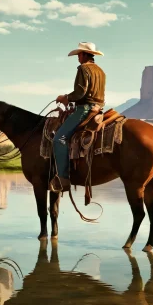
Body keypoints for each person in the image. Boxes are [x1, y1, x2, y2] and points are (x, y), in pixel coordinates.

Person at [50, 42, 106, 193]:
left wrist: (65, 97)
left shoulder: (83, 69)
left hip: (85, 109)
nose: (78, 58)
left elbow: (80, 93)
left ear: (83, 55)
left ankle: (63, 178)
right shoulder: (100, 71)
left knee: (59, 139)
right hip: (98, 109)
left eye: (79, 55)